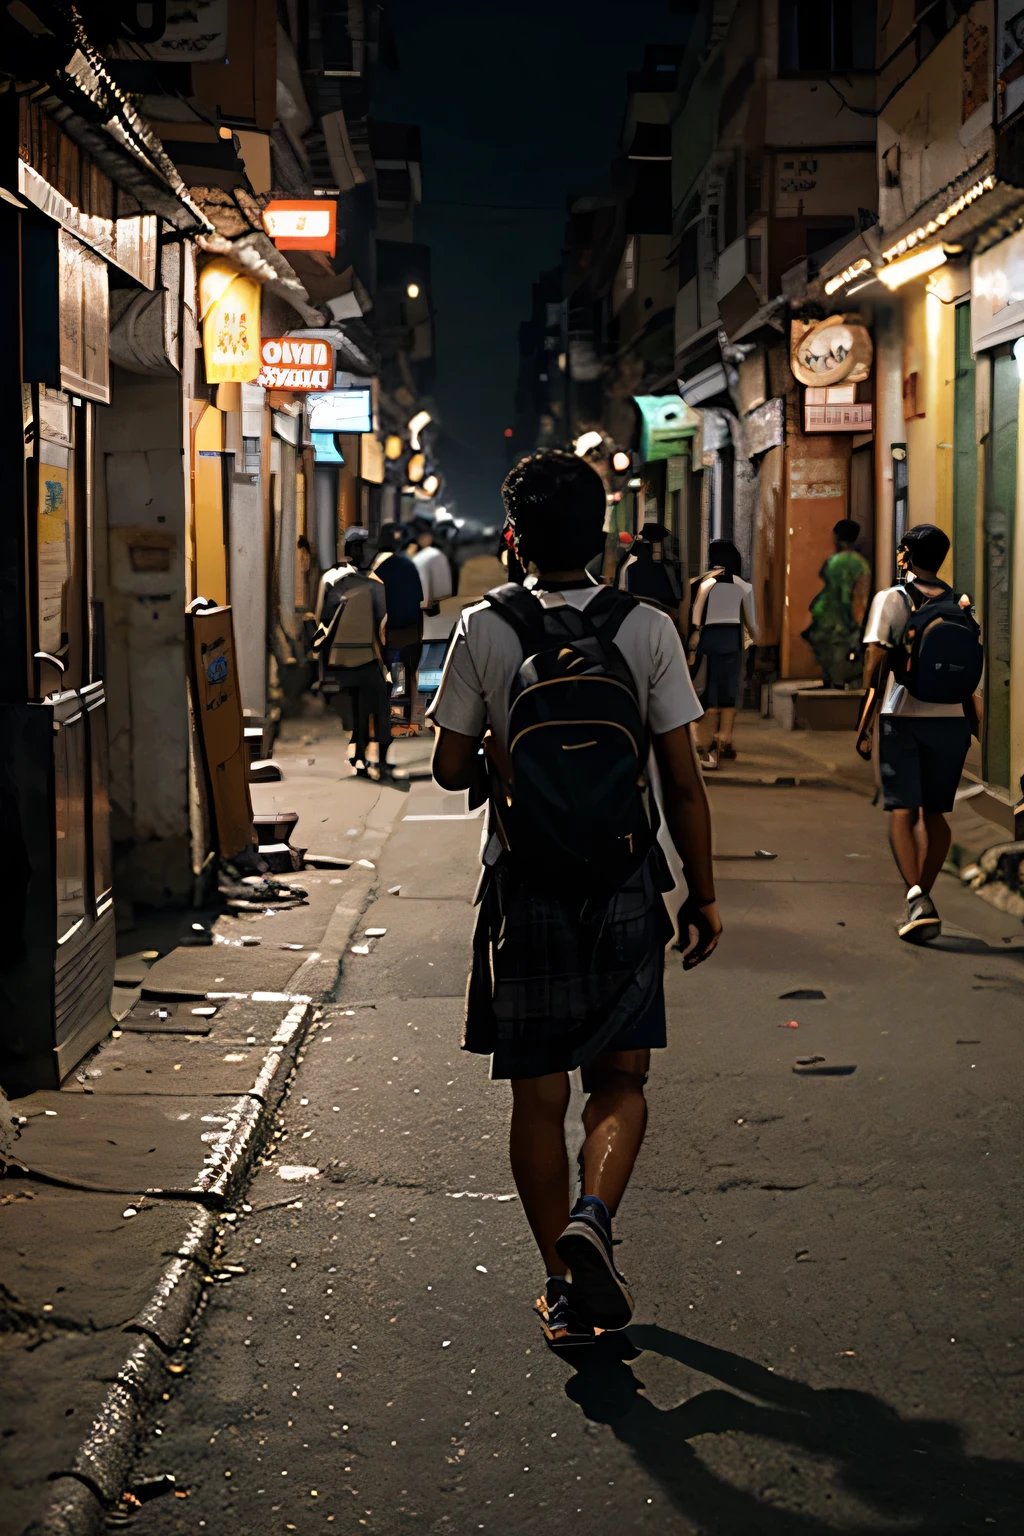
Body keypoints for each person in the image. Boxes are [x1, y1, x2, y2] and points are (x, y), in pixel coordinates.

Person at [429, 449, 721, 1346]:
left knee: (536, 1096)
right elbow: (682, 780)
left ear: (513, 537)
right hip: (624, 879)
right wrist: (702, 894)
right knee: (622, 1079)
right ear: (603, 535)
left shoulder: (485, 627)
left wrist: (504, 759)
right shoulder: (647, 627)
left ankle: (561, 1283)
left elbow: (447, 766)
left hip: (526, 882)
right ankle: (594, 1214)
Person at [858, 523, 979, 943]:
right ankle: (923, 898)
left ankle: (916, 898)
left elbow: (875, 665)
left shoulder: (893, 599)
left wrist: (865, 723)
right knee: (936, 815)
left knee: (903, 812)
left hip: (903, 718)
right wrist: (974, 724)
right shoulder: (960, 603)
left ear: (906, 553)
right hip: (951, 723)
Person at [311, 526, 392, 778]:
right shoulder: (375, 585)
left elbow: (320, 619)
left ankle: (357, 749)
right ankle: (370, 754)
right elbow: (382, 624)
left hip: (337, 660)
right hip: (365, 656)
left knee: (357, 705)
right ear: (357, 550)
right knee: (376, 701)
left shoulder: (331, 579)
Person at [687, 540, 756, 769]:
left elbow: (697, 618)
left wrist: (692, 645)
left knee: (710, 690)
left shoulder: (706, 585)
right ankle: (725, 739)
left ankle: (705, 744)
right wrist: (755, 641)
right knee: (730, 689)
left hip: (709, 641)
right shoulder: (744, 586)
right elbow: (752, 622)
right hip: (733, 641)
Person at [803, 519, 871, 687]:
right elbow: (859, 596)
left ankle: (831, 687)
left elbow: (829, 588)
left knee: (829, 657)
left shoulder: (833, 562)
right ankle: (838, 686)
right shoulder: (861, 565)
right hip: (847, 619)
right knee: (842, 657)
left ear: (838, 538)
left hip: (828, 616)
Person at [373, 522, 424, 726]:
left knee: (394, 674)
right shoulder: (411, 565)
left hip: (392, 631)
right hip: (413, 628)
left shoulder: (380, 567)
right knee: (411, 674)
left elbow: (379, 603)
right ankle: (415, 718)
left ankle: (395, 717)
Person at [411, 516, 453, 609]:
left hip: (428, 606)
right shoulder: (437, 554)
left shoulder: (425, 556)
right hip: (440, 603)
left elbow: (425, 582)